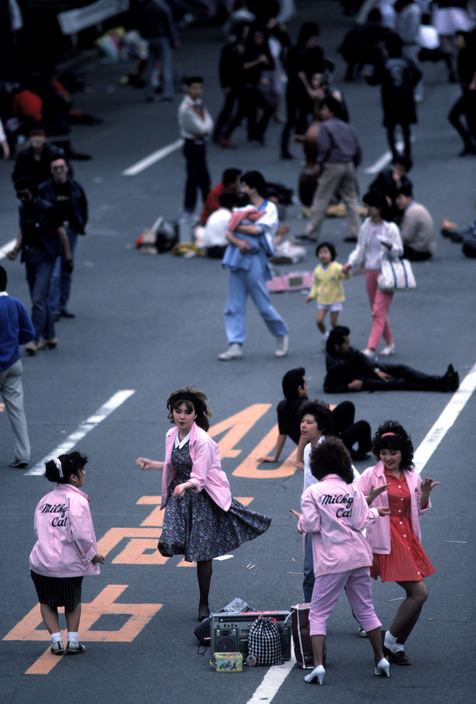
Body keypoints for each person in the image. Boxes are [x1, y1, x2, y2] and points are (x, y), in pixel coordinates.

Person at [136, 387, 271, 621]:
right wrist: (154, 464)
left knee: (202, 552)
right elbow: (175, 464)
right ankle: (186, 551)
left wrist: (183, 486)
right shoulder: (171, 434)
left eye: (187, 412)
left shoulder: (203, 441)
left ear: (195, 415)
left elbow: (198, 479)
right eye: (178, 411)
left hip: (202, 496)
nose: (181, 416)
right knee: (169, 541)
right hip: (180, 494)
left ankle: (203, 604)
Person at [295, 437, 391, 685]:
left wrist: (301, 522)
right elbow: (361, 521)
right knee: (366, 609)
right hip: (359, 556)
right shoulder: (353, 490)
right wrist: (374, 513)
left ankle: (317, 666)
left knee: (318, 613)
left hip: (332, 560)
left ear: (317, 465)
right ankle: (380, 659)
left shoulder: (312, 492)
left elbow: (313, 524)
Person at [357, 421, 438, 665]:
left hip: (408, 538)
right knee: (419, 592)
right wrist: (368, 499)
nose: (388, 457)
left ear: (403, 452)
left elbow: (419, 509)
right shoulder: (371, 475)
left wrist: (424, 496)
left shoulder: (412, 475)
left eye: (393, 452)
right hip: (386, 540)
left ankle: (396, 645)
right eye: (383, 452)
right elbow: (354, 503)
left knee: (416, 596)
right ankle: (388, 641)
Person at [29, 452, 105, 655]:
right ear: (73, 477)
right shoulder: (77, 501)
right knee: (72, 601)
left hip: (42, 562)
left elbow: (38, 530)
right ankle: (72, 640)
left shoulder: (44, 500)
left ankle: (55, 641)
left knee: (46, 601)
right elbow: (80, 535)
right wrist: (92, 555)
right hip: (68, 564)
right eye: (82, 470)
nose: (84, 473)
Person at [218, 170, 289, 360]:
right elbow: (229, 233)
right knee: (233, 304)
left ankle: (281, 334)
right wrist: (237, 237)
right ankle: (235, 343)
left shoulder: (269, 208)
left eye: (245, 185)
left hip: (256, 258)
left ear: (254, 187)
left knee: (263, 304)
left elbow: (255, 230)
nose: (242, 189)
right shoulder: (243, 206)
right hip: (237, 257)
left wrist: (235, 226)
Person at [7, 177, 73, 354]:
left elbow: (61, 232)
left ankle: (33, 339)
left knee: (37, 299)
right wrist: (16, 249)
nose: (22, 198)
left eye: (25, 195)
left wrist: (68, 257)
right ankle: (50, 336)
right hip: (30, 257)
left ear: (33, 192)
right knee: (41, 300)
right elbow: (23, 231)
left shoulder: (47, 209)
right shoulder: (23, 209)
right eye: (19, 195)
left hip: (46, 258)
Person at [258, 367, 372, 466]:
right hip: (325, 448)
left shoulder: (282, 405)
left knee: (347, 406)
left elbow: (282, 433)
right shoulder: (304, 406)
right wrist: (299, 460)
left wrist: (275, 457)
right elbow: (304, 434)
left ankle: (348, 449)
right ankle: (355, 450)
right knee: (363, 425)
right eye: (306, 385)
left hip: (320, 439)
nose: (307, 387)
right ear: (300, 389)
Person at [342, 189, 403, 358]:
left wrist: (389, 245)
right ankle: (389, 343)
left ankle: (371, 348)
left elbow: (399, 250)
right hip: (370, 272)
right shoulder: (366, 226)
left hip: (386, 273)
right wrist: (350, 263)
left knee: (377, 311)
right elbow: (360, 249)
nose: (368, 209)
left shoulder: (390, 228)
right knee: (378, 311)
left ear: (379, 207)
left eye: (371, 206)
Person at [324, 325, 460, 393]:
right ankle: (442, 385)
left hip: (369, 369)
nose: (349, 345)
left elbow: (361, 357)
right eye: (346, 343)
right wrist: (348, 386)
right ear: (337, 346)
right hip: (363, 379)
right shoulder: (333, 364)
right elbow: (328, 387)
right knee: (400, 382)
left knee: (401, 368)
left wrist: (376, 369)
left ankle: (440, 380)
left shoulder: (346, 350)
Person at [304, 96, 362, 243]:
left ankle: (312, 232)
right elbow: (357, 148)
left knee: (321, 197)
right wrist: (354, 165)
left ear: (331, 111)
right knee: (351, 200)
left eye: (324, 109)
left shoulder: (326, 127)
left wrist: (319, 163)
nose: (322, 112)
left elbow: (324, 148)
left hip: (334, 165)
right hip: (349, 164)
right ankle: (357, 232)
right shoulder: (348, 127)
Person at [38, 155, 88, 319]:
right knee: (55, 273)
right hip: (53, 234)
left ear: (67, 168)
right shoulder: (44, 189)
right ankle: (53, 308)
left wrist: (80, 226)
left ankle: (62, 305)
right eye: (55, 168)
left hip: (70, 232)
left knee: (67, 269)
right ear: (51, 171)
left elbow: (83, 208)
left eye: (61, 167)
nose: (59, 170)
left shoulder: (75, 187)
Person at [366, 33, 422, 160]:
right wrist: (409, 85)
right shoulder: (407, 61)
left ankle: (395, 154)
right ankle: (407, 153)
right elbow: (418, 74)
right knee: (405, 126)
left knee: (390, 126)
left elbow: (375, 80)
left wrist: (368, 78)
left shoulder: (383, 62)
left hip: (390, 97)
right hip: (405, 97)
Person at [0, 265, 35, 468]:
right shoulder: (15, 303)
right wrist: (13, 342)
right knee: (16, 411)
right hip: (14, 363)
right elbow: (28, 333)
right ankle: (23, 454)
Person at [280, 21, 325, 159]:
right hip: (297, 89)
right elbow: (300, 73)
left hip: (295, 89)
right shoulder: (300, 53)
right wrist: (311, 89)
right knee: (297, 118)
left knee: (300, 118)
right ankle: (301, 145)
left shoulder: (301, 51)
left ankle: (302, 145)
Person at [177, 76, 214, 221]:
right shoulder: (186, 109)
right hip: (192, 145)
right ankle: (189, 211)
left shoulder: (198, 104)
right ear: (187, 89)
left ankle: (209, 208)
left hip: (200, 145)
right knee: (193, 180)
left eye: (199, 88)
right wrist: (206, 126)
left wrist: (206, 126)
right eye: (194, 88)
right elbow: (202, 129)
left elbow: (209, 123)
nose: (198, 91)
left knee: (204, 179)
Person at [306, 241, 350, 348]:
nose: (323, 255)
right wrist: (312, 295)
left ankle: (340, 340)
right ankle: (325, 336)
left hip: (335, 298)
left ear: (332, 254)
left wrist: (346, 272)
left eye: (326, 252)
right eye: (320, 253)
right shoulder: (317, 270)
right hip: (322, 299)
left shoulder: (337, 267)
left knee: (334, 322)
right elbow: (316, 284)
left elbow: (345, 277)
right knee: (319, 321)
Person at [137, 0, 180, 103]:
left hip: (151, 39)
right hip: (162, 38)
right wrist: (174, 40)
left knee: (150, 67)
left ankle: (149, 93)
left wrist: (145, 36)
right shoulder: (163, 7)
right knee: (165, 67)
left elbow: (142, 26)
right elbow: (169, 25)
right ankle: (167, 93)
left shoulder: (146, 8)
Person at [447, 30, 476, 157]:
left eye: (458, 39)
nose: (456, 42)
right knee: (470, 119)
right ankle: (470, 145)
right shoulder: (461, 53)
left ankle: (470, 143)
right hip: (466, 89)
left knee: (453, 115)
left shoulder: (470, 52)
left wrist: (474, 83)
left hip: (471, 92)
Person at [368, 154, 413, 224]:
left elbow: (409, 200)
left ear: (405, 172)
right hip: (382, 208)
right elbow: (372, 188)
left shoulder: (406, 184)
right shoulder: (384, 175)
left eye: (401, 170)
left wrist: (397, 184)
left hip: (396, 212)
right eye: (397, 167)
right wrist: (383, 197)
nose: (397, 171)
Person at [395, 184, 436, 261]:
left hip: (417, 250)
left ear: (409, 198)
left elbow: (406, 237)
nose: (398, 202)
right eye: (396, 199)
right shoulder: (417, 207)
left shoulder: (411, 212)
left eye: (400, 198)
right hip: (425, 248)